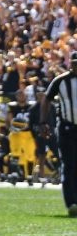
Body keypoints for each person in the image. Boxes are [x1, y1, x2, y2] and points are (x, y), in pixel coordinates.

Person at [40, 51, 77, 218]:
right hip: (67, 128)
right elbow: (46, 100)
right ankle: (71, 203)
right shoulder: (60, 81)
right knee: (68, 165)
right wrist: (43, 122)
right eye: (74, 63)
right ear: (70, 63)